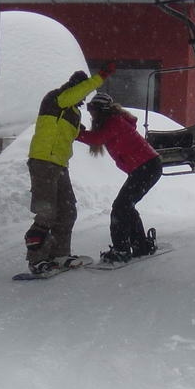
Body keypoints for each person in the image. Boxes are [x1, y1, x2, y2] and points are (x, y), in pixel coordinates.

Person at [24, 64, 115, 274]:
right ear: (75, 87)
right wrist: (100, 77)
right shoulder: (56, 98)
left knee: (67, 211)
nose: (83, 100)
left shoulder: (72, 111)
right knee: (46, 212)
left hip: (60, 164)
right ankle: (36, 260)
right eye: (82, 94)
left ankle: (59, 254)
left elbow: (75, 134)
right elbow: (75, 94)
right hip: (43, 161)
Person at [76, 92, 162, 263]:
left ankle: (122, 250)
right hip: (145, 167)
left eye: (93, 110)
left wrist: (74, 133)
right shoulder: (112, 121)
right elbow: (98, 138)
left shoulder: (115, 122)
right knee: (126, 206)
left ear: (102, 110)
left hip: (147, 167)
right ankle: (140, 245)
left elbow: (97, 139)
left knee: (120, 207)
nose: (91, 114)